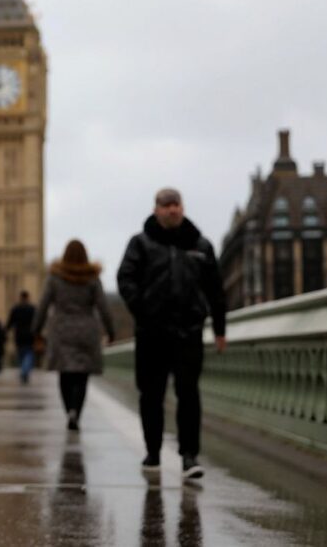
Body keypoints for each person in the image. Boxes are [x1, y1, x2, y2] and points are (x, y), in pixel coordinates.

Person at [117, 187, 227, 480]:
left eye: (176, 204)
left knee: (189, 395)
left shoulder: (200, 245)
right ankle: (152, 451)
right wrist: (142, 310)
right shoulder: (140, 244)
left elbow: (215, 289)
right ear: (156, 209)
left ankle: (189, 456)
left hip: (188, 331)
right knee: (151, 395)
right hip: (152, 332)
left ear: (183, 208)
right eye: (166, 205)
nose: (172, 210)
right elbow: (125, 279)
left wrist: (219, 328)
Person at [32, 240, 115, 432]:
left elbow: (43, 305)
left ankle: (69, 409)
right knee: (81, 375)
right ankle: (76, 411)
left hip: (61, 330)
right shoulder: (92, 278)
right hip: (87, 330)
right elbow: (103, 307)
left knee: (65, 373)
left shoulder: (55, 277)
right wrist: (110, 331)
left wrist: (36, 330)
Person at [7, 290, 36, 384]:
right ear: (27, 297)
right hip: (30, 335)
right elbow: (37, 321)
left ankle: (23, 371)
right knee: (29, 354)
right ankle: (25, 371)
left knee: (21, 355)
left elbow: (10, 322)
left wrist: (6, 331)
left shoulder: (16, 309)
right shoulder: (32, 309)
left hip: (19, 335)